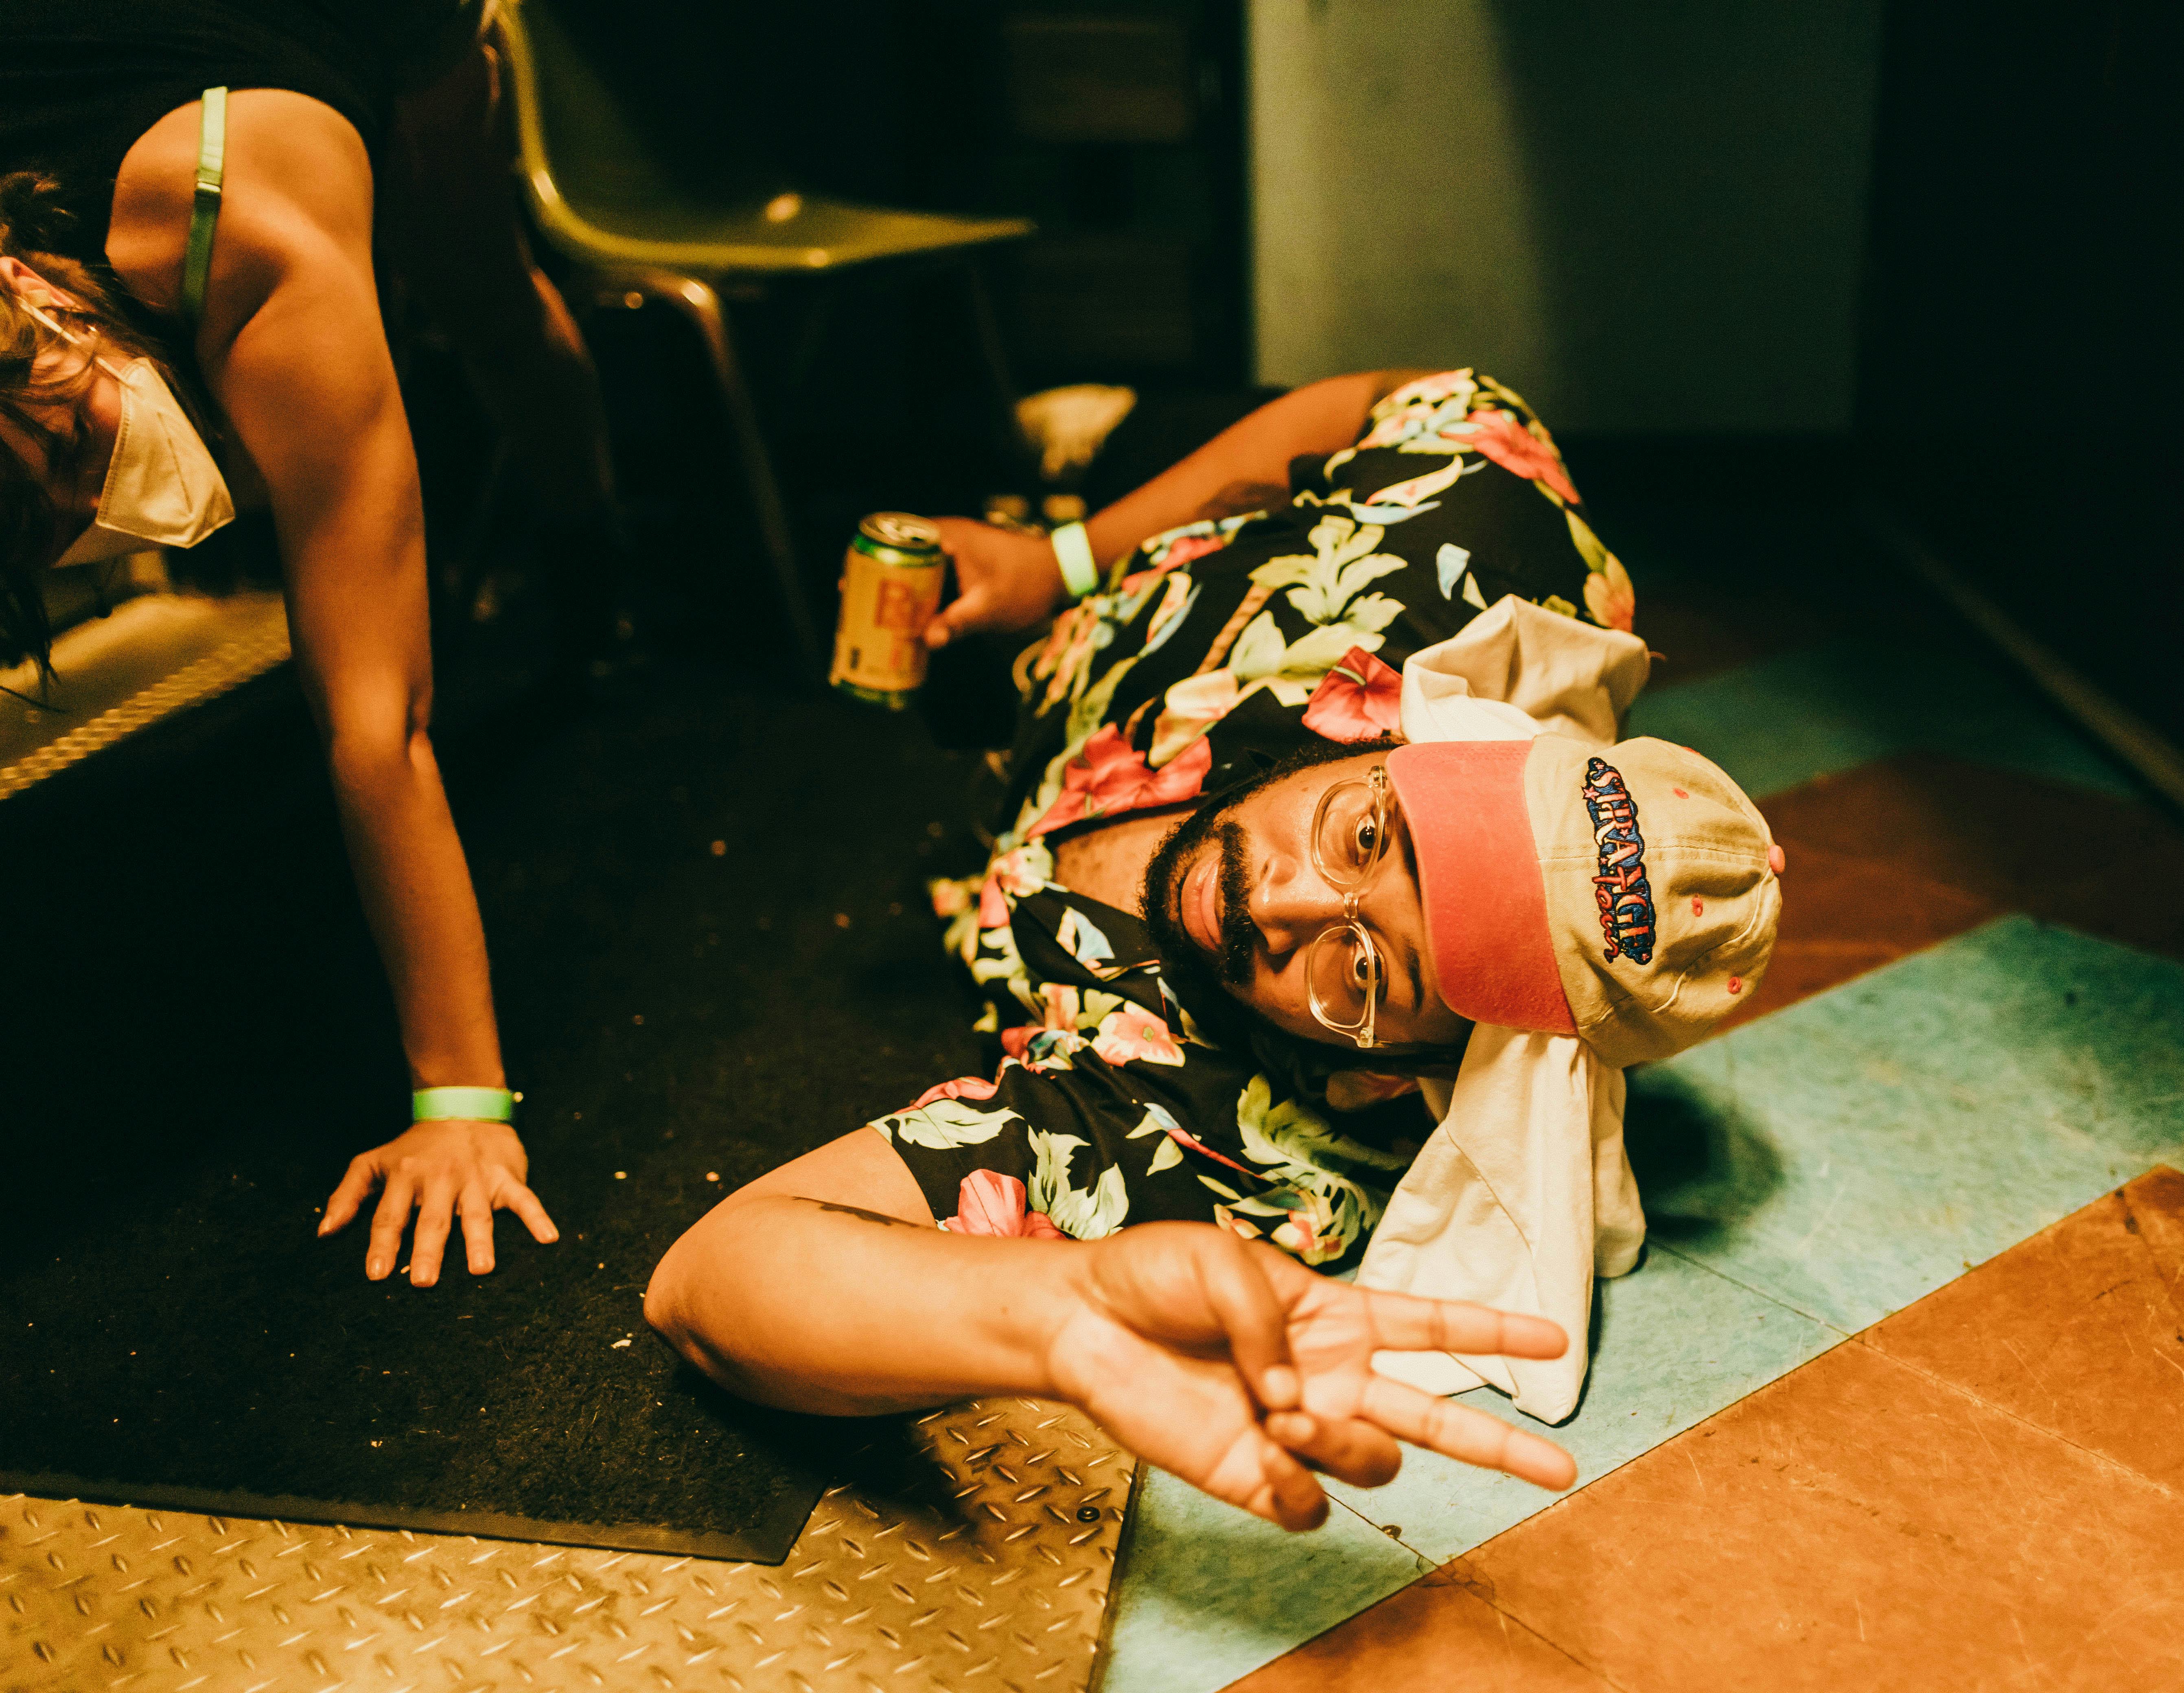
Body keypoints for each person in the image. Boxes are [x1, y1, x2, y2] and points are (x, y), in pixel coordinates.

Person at [648, 369, 1786, 1527]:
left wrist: (1060, 1311)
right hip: (1114, 598)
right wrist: (1064, 561)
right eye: (1365, 835)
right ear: (1403, 743)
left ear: (1394, 1073)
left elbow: (708, 1280)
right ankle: (1098, 442)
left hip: (969, 787)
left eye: (1363, 972)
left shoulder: (1236, 1143)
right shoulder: (1463, 550)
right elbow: (1404, 395)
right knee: (1147, 433)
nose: (1284, 901)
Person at [0, 1, 621, 1286]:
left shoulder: (251, 238)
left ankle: (598, 596)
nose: (92, 505)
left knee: (489, 305)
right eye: (54, 519)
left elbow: (377, 724)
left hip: (368, 22)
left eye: (76, 454)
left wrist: (461, 1103)